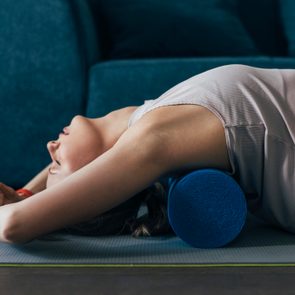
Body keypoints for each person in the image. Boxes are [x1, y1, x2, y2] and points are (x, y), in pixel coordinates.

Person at [0, 64, 294, 244]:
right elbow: (15, 225)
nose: (50, 147)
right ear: (103, 173)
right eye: (57, 164)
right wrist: (28, 205)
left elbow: (28, 205)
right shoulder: (155, 140)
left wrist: (25, 194)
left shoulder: (146, 117)